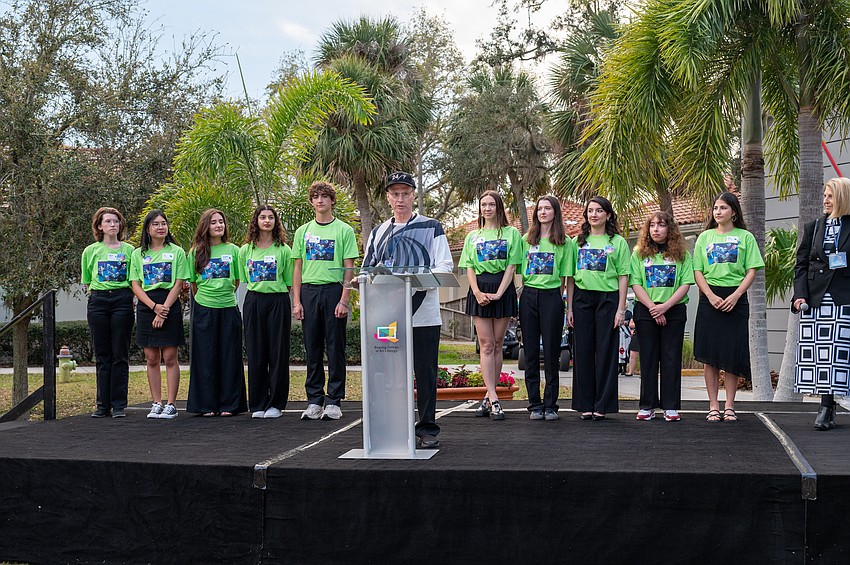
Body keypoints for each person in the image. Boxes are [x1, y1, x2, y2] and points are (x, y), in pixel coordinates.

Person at [362, 171, 454, 448]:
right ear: (388, 198)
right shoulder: (378, 232)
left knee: (425, 373)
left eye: (405, 193)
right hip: (387, 317)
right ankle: (392, 424)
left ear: (414, 195)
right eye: (395, 194)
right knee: (388, 372)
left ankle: (427, 429)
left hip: (423, 316)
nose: (400, 199)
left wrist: (415, 284)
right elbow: (368, 268)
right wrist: (362, 280)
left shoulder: (432, 227)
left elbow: (444, 266)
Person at [693, 192, 764, 422]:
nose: (718, 211)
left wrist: (736, 295)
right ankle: (713, 405)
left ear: (733, 211)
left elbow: (751, 269)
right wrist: (710, 295)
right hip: (709, 298)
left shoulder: (745, 237)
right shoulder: (704, 237)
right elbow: (698, 271)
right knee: (710, 356)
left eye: (723, 207)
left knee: (733, 354)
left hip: (736, 298)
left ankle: (730, 406)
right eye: (715, 208)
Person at [292, 182, 358, 421]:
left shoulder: (344, 231)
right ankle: (314, 400)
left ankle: (334, 400)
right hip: (309, 292)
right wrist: (297, 301)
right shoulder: (303, 231)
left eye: (324, 197)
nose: (320, 200)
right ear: (311, 202)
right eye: (316, 197)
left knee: (335, 347)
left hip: (333, 291)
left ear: (332, 201)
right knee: (312, 348)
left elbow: (349, 268)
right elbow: (297, 268)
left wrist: (344, 299)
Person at [459, 190, 523, 421]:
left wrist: (499, 293)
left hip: (502, 288)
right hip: (479, 288)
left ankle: (489, 396)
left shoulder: (511, 233)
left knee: (498, 344)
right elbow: (468, 266)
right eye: (483, 204)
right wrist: (476, 292)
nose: (487, 208)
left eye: (491, 204)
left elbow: (512, 265)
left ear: (498, 207)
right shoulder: (472, 236)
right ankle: (494, 398)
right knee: (485, 344)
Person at [792, 177, 850, 430]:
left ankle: (834, 404)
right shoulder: (813, 227)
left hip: (844, 296)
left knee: (841, 353)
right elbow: (801, 265)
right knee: (823, 355)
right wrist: (800, 295)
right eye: (824, 195)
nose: (825, 200)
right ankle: (826, 406)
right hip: (816, 299)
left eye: (830, 196)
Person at [567, 196, 630, 421]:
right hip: (582, 300)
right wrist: (570, 309)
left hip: (608, 300)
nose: (594, 214)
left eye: (599, 211)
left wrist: (621, 309)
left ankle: (602, 404)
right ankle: (585, 403)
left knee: (606, 352)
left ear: (608, 215)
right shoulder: (577, 242)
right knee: (582, 352)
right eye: (590, 211)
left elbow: (624, 276)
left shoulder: (618, 242)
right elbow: (571, 278)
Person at [630, 211, 694, 422]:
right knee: (648, 359)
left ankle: (671, 406)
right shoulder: (639, 253)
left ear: (670, 229)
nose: (656, 229)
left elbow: (686, 284)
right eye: (652, 225)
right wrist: (653, 308)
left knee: (671, 359)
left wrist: (665, 307)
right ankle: (647, 405)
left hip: (673, 311)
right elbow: (636, 283)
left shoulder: (682, 254)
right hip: (645, 310)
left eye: (661, 225)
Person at [518, 195, 575, 421]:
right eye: (539, 208)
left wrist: (568, 307)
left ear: (555, 212)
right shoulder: (526, 239)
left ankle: (550, 404)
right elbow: (517, 270)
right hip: (529, 296)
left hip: (552, 297)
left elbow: (567, 277)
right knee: (530, 351)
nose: (543, 212)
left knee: (551, 352)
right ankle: (534, 404)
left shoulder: (564, 242)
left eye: (547, 208)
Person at [186, 209, 247, 417]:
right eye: (214, 222)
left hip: (229, 308)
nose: (218, 225)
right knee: (205, 358)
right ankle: (206, 405)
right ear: (206, 226)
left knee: (229, 357)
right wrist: (208, 298)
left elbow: (237, 280)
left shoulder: (234, 250)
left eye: (221, 222)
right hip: (204, 309)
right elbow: (193, 284)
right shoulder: (196, 252)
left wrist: (223, 294)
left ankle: (230, 405)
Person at [130, 210, 189, 420]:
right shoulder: (138, 254)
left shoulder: (177, 252)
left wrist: (163, 310)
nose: (161, 227)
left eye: (164, 223)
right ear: (148, 229)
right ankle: (156, 402)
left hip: (169, 303)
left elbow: (179, 283)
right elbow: (135, 285)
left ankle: (171, 404)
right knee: (151, 357)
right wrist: (153, 307)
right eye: (156, 224)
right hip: (147, 304)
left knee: (170, 357)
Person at [239, 205, 294, 419]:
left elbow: (288, 282)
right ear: (256, 221)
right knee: (256, 352)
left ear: (275, 222)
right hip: (254, 301)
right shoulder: (246, 250)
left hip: (278, 301)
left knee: (278, 353)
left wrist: (275, 295)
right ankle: (258, 403)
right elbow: (244, 278)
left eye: (271, 217)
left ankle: (276, 403)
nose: (267, 221)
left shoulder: (284, 250)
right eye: (263, 217)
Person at [81, 207, 135, 418]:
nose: (113, 225)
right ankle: (103, 405)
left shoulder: (130, 251)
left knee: (119, 354)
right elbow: (87, 280)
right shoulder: (90, 251)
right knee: (102, 355)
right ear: (100, 226)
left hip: (122, 300)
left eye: (116, 221)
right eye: (108, 221)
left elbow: (134, 279)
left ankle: (119, 404)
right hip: (98, 302)